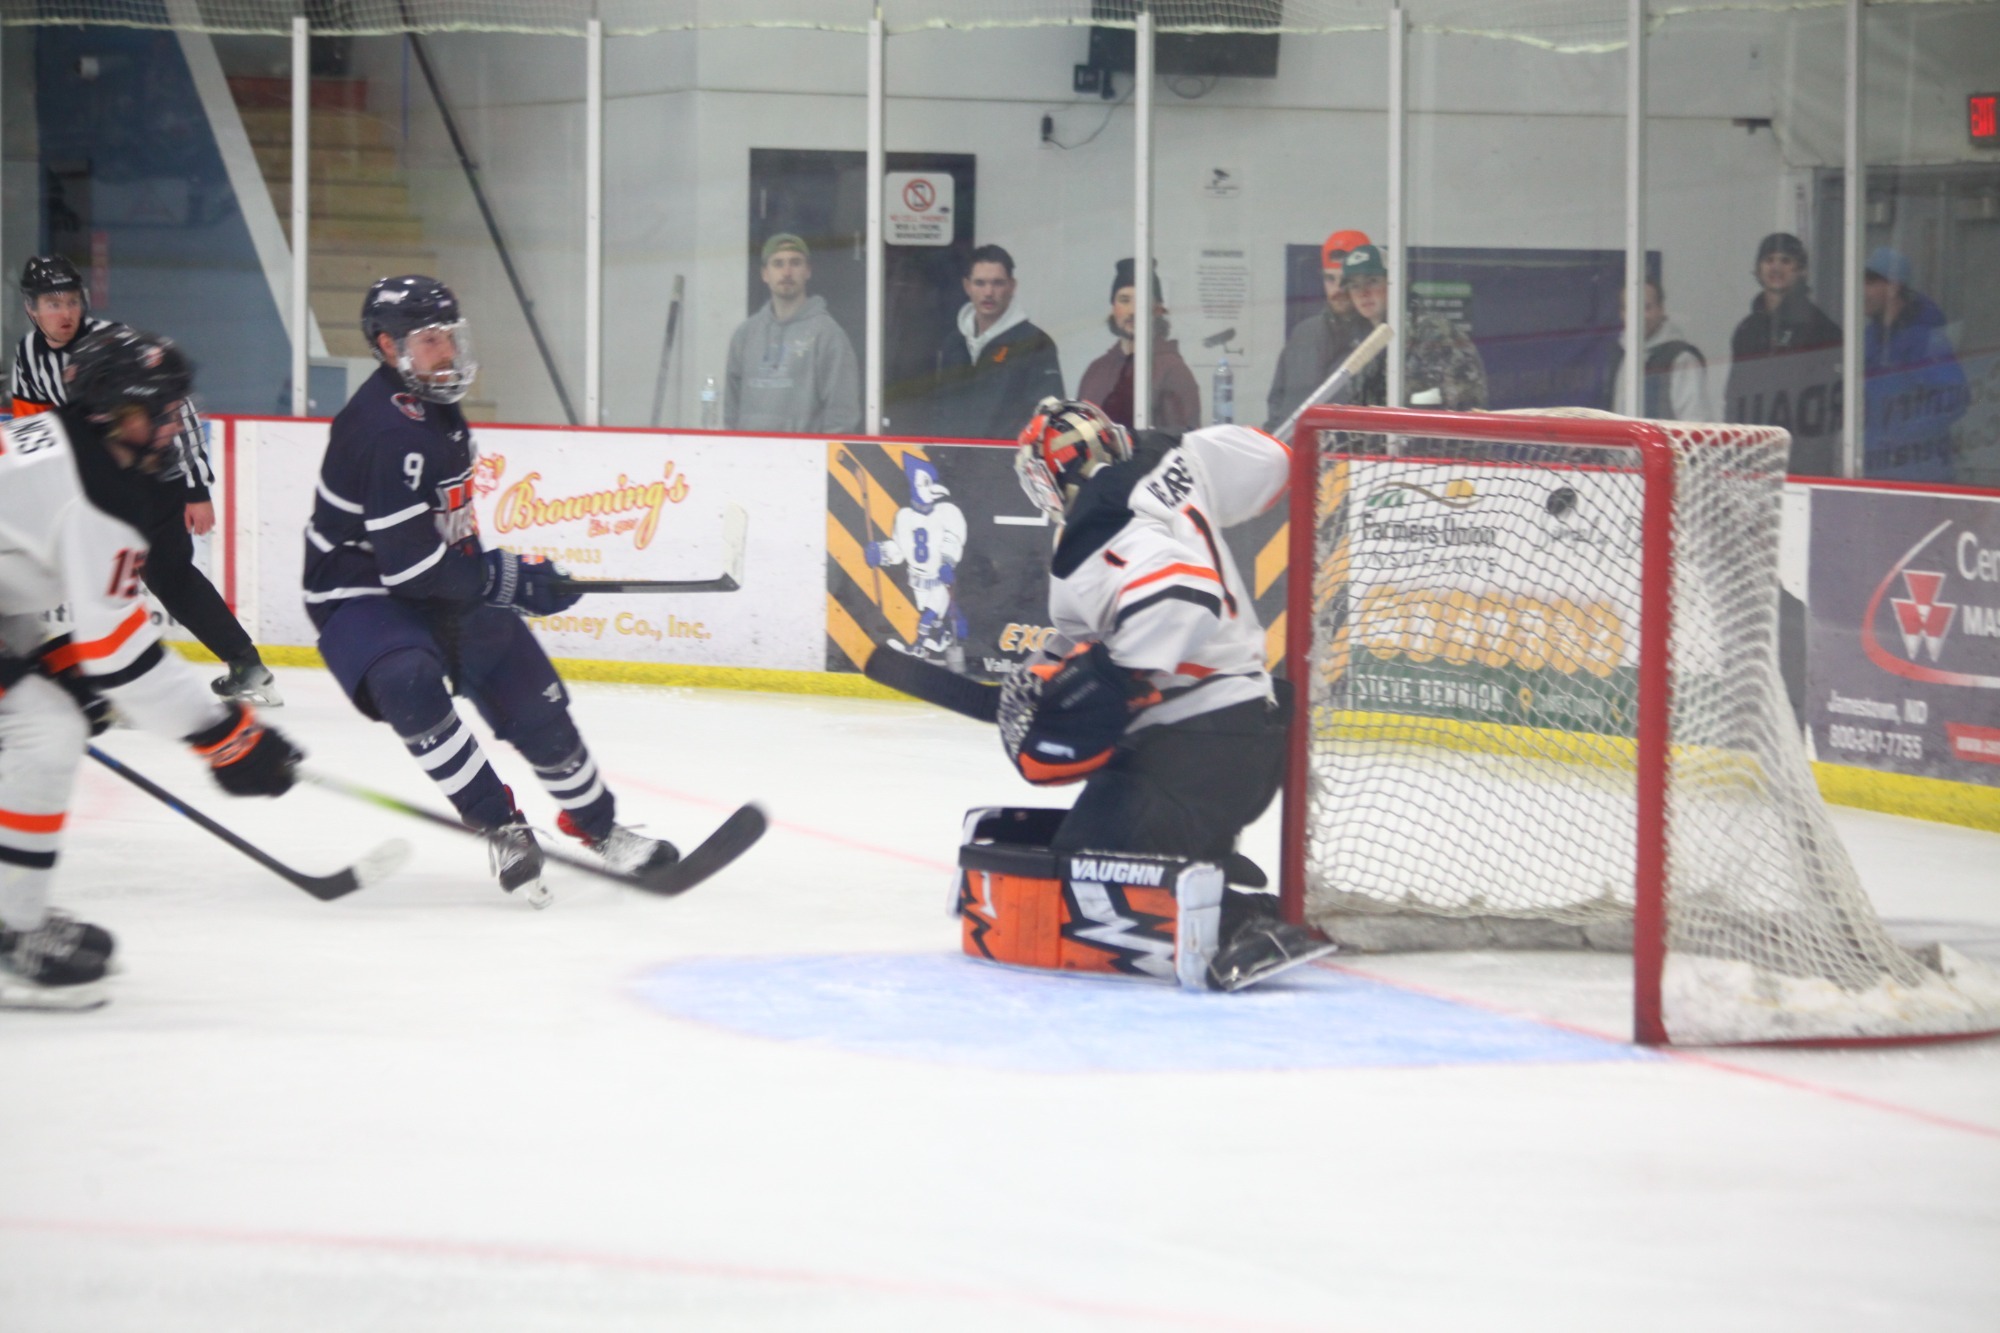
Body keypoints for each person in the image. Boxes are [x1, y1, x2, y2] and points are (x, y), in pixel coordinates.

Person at [305, 276, 679, 904]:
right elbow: (406, 568)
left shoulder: (434, 406)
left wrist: (518, 578)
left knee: (530, 695)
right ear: (386, 345)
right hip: (360, 590)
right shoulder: (383, 429)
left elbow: (446, 540)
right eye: (430, 341)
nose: (447, 352)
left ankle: (598, 826)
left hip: (432, 579)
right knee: (406, 680)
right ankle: (503, 826)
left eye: (450, 337)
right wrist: (504, 577)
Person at [0, 327, 302, 1009]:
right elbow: (121, 658)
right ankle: (10, 936)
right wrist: (222, 736)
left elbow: (13, 570)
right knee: (44, 731)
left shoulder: (71, 454)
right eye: (159, 412)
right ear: (112, 411)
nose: (173, 426)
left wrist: (57, 661)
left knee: (38, 719)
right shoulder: (96, 493)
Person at [1002, 398, 1335, 990]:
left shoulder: (1093, 531)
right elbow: (1272, 462)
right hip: (1246, 736)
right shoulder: (1175, 455)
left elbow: (1185, 593)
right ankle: (1204, 871)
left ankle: (1234, 924)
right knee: (1086, 849)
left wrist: (1106, 681)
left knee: (1077, 881)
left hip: (1194, 753)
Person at [10, 255, 279, 706]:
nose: (65, 312)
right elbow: (35, 431)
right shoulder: (28, 356)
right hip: (95, 485)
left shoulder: (117, 346)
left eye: (72, 300)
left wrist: (197, 488)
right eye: (52, 302)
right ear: (31, 309)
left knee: (158, 574)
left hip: (155, 480)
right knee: (103, 572)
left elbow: (181, 411)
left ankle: (232, 667)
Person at [1724, 232, 1843, 475]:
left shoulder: (1820, 328)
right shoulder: (1747, 329)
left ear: (1801, 271)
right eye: (1769, 260)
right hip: (1752, 458)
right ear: (1758, 269)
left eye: (1786, 261)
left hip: (1802, 463)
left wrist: (1811, 460)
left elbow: (1827, 407)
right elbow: (1735, 395)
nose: (1776, 267)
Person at [724, 234, 861, 435]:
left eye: (795, 263)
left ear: (808, 271)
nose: (787, 272)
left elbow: (842, 414)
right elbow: (731, 409)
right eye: (778, 264)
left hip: (805, 462)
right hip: (750, 458)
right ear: (765, 274)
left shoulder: (828, 335)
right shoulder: (745, 335)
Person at [925, 244, 1064, 440]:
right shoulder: (953, 343)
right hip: (951, 467)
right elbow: (940, 413)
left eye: (997, 283)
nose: (988, 292)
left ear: (1012, 286)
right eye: (980, 283)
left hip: (1006, 466)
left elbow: (1046, 418)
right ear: (967, 286)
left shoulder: (1036, 343)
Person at [1861, 247, 1968, 481]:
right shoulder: (1870, 337)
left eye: (1870, 282)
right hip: (1875, 469)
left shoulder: (1925, 337)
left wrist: (1903, 435)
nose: (1862, 291)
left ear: (1893, 287)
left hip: (1920, 472)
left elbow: (1954, 397)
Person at [1340, 244, 1488, 411]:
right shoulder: (1360, 339)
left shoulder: (1435, 333)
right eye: (1354, 285)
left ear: (1399, 282)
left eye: (1372, 281)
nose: (1363, 293)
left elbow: (1462, 408)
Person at [864, 456, 969, 667]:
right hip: (917, 580)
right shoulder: (903, 517)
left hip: (938, 578)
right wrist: (881, 553)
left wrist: (947, 562)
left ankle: (919, 647)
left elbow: (953, 539)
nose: (930, 487)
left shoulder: (947, 512)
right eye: (924, 482)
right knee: (932, 617)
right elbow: (900, 549)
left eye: (931, 482)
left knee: (929, 616)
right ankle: (938, 640)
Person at [1076, 259, 1201, 434]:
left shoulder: (1173, 371)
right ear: (1113, 308)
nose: (1132, 310)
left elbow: (1182, 442)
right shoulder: (1096, 371)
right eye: (1124, 300)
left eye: (1141, 301)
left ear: (1157, 309)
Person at [1264, 228, 1374, 430]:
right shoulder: (1303, 334)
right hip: (1299, 454)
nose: (1337, 289)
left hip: (1354, 457)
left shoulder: (1379, 338)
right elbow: (1277, 405)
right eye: (1330, 279)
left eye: (1345, 280)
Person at [1609, 276, 1711, 421]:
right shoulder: (1618, 356)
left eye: (1646, 307)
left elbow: (1696, 423)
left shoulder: (1682, 358)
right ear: (1622, 313)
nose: (1638, 316)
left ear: (1661, 309)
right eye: (1630, 308)